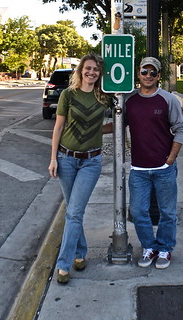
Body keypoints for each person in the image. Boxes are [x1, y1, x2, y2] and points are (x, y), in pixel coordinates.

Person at [48, 54, 111, 284]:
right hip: (66, 159)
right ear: (81, 70)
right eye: (88, 68)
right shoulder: (68, 95)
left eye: (95, 69)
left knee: (74, 212)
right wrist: (53, 158)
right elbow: (58, 127)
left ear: (99, 73)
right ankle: (80, 252)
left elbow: (117, 120)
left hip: (91, 162)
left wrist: (101, 131)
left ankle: (63, 265)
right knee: (74, 211)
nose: (91, 72)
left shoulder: (104, 97)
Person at [126, 56, 183, 270]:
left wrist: (171, 158)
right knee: (138, 211)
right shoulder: (130, 101)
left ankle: (165, 248)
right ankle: (149, 247)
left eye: (153, 72)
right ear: (138, 74)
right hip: (139, 170)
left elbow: (180, 129)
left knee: (167, 212)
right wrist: (91, 129)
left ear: (159, 75)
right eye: (144, 71)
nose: (148, 76)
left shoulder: (168, 100)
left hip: (163, 169)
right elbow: (116, 125)